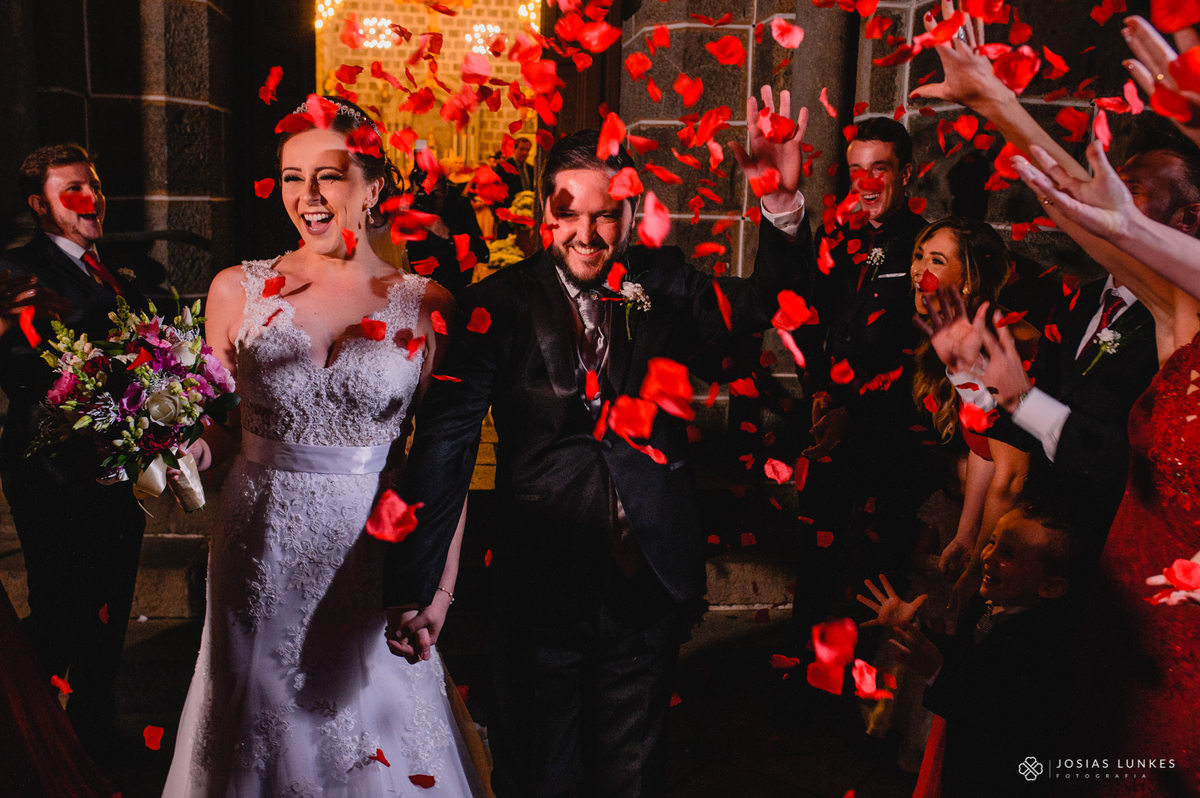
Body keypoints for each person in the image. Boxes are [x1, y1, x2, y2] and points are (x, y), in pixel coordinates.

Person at [382, 86, 810, 797]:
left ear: (631, 212)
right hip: (538, 588)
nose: (587, 232)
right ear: (545, 215)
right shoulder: (498, 305)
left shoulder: (665, 282)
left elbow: (763, 307)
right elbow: (445, 445)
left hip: (645, 586)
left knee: (630, 779)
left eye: (606, 213)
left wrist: (781, 204)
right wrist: (418, 584)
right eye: (569, 212)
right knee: (539, 779)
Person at [161, 97, 485, 796]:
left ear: (373, 187)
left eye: (328, 176)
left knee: (372, 725)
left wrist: (438, 587)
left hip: (375, 547)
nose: (306, 196)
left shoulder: (428, 306)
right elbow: (218, 425)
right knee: (257, 717)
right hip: (259, 541)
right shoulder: (234, 291)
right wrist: (193, 449)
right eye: (291, 177)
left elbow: (445, 464)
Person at [910, 3, 1178, 543]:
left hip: (1123, 542)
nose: (1115, 200)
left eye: (1134, 192)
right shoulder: (1084, 301)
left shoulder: (1176, 318)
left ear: (1189, 218)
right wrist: (976, 382)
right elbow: (1020, 440)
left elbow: (1131, 466)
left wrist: (999, 104)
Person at [0, 144, 148, 757]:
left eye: (95, 186)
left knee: (111, 600)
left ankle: (91, 728)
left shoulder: (106, 269)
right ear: (40, 206)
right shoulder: (16, 269)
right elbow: (18, 365)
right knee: (61, 611)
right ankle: (23, 735)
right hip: (53, 470)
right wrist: (98, 381)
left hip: (115, 465)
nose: (92, 200)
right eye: (73, 191)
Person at [793, 117, 944, 629]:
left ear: (907, 174)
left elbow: (926, 355)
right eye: (857, 169)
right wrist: (819, 394)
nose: (867, 182)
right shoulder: (833, 236)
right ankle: (806, 655)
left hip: (894, 434)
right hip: (830, 423)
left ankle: (875, 663)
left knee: (881, 564)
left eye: (880, 168)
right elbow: (810, 321)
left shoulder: (927, 244)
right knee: (816, 556)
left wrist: (854, 414)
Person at [858, 497, 1091, 798]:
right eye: (992, 541)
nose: (988, 556)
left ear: (1050, 587)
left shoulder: (1041, 647)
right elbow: (967, 656)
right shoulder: (987, 605)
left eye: (1008, 554)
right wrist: (912, 626)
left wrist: (937, 671)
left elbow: (992, 719)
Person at [907, 219, 1034, 585]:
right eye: (919, 256)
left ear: (968, 280)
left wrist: (980, 563)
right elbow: (986, 448)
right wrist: (965, 535)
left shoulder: (999, 342)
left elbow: (1012, 479)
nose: (918, 269)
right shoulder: (962, 333)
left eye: (936, 260)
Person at [498, 137, 534, 202]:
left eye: (527, 150)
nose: (524, 152)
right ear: (514, 149)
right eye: (521, 149)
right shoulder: (504, 167)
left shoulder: (530, 169)